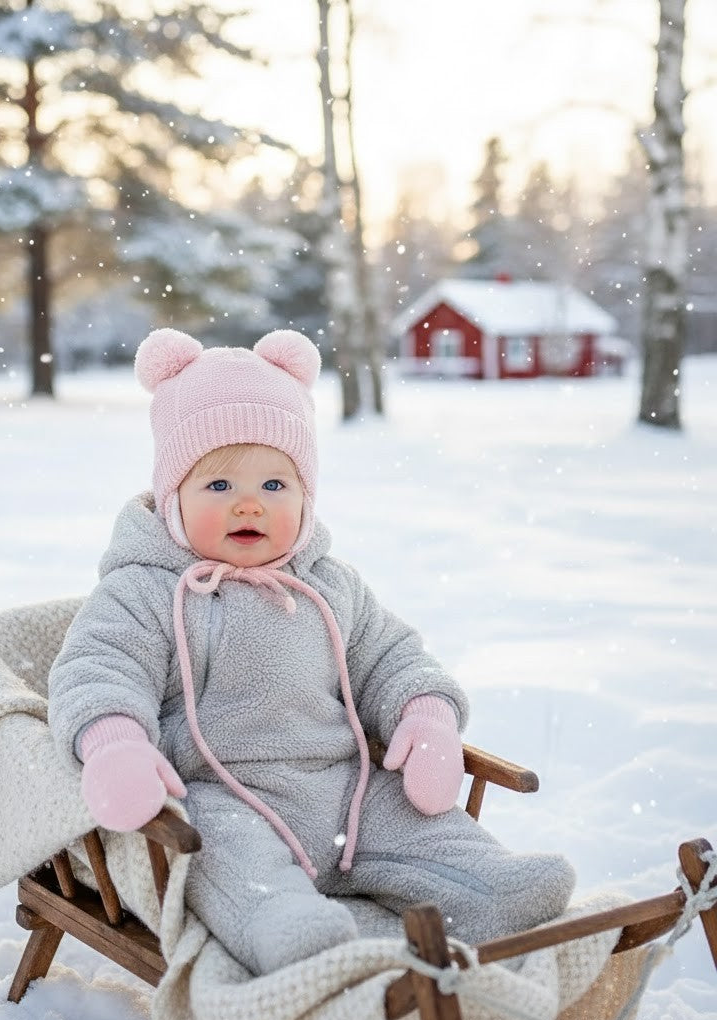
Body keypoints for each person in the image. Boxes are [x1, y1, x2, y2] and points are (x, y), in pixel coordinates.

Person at [48, 328, 575, 977]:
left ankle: (490, 888)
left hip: (344, 788)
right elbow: (99, 668)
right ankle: (283, 923)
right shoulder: (144, 590)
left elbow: (390, 655)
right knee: (221, 856)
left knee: (420, 823)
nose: (250, 502)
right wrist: (114, 743)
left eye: (276, 483)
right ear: (171, 497)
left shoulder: (331, 584)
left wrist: (425, 712)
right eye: (217, 485)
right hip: (222, 792)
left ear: (306, 496)